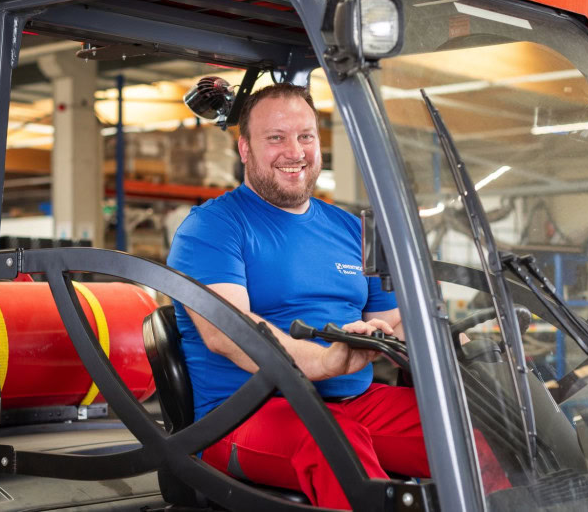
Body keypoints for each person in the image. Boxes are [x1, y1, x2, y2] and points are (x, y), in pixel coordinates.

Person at [166, 84, 508, 509]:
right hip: (246, 414)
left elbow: (394, 321)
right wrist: (323, 362)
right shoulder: (212, 226)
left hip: (357, 402)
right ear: (245, 148)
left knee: (489, 436)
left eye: (305, 136)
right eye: (276, 137)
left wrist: (461, 346)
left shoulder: (350, 228)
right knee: (345, 455)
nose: (295, 151)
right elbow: (230, 333)